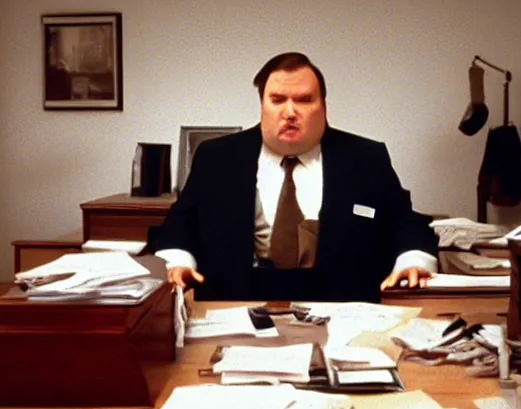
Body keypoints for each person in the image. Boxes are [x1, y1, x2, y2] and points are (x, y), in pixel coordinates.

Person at [154, 52, 438, 302]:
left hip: (340, 307)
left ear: (323, 106)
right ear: (262, 104)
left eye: (303, 100)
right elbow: (181, 223)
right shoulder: (218, 158)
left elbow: (405, 222)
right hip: (236, 304)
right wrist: (177, 262)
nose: (289, 112)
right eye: (277, 100)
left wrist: (412, 261)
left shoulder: (365, 158)